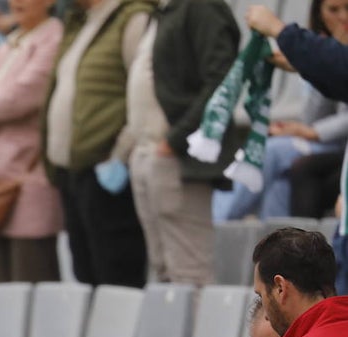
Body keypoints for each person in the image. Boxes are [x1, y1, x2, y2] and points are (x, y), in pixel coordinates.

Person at [123, 0, 239, 287]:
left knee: (190, 275)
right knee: (163, 272)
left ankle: (197, 333)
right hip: (149, 151)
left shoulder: (201, 6)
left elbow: (222, 82)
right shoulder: (164, 9)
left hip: (179, 157)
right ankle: (171, 332)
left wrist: (174, 141)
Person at [43, 0, 153, 288]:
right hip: (73, 172)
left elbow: (143, 93)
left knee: (116, 274)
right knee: (85, 272)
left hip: (108, 172)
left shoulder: (132, 18)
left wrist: (119, 154)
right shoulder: (79, 21)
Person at [0, 0, 64, 283]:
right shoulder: (10, 44)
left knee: (31, 272)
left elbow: (18, 98)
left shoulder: (53, 39)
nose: (17, 2)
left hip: (28, 172)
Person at [219, 0, 348, 222]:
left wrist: (312, 132)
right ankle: (280, 250)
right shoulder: (320, 52)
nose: (343, 18)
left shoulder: (321, 52)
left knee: (270, 151)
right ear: (319, 15)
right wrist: (317, 69)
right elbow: (313, 115)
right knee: (279, 185)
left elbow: (316, 123)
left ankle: (219, 221)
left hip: (333, 142)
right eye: (333, 10)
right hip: (323, 142)